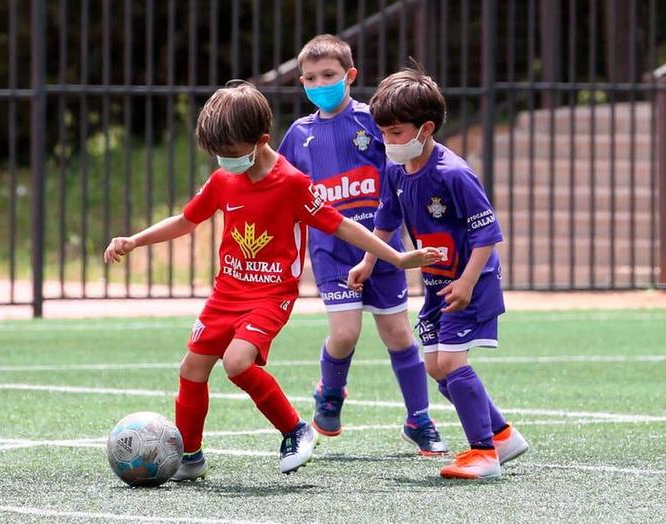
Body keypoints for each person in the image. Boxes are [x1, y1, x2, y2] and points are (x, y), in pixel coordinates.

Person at [104, 80, 443, 481]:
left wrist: (399, 257)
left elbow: (343, 226)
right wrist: (135, 240)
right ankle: (190, 457)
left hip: (270, 295)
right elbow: (186, 221)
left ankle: (295, 430)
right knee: (192, 368)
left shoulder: (292, 183)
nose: (224, 161)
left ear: (262, 140)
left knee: (236, 362)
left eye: (230, 153)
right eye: (217, 154)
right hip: (226, 293)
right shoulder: (222, 180)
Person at [350, 63, 529, 479]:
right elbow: (386, 220)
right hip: (438, 285)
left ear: (425, 128)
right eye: (383, 132)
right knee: (434, 366)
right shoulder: (396, 169)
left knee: (449, 362)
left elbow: (488, 236)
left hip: (471, 283)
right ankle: (501, 434)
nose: (387, 141)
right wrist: (369, 260)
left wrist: (467, 282)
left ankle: (483, 452)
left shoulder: (455, 174)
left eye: (395, 133)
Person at [278, 35, 448, 455]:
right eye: (312, 78)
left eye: (330, 75)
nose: (321, 84)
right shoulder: (299, 135)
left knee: (398, 335)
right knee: (346, 333)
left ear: (350, 76)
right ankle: (330, 394)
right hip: (332, 251)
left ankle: (419, 419)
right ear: (302, 82)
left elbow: (395, 178)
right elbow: (284, 190)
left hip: (384, 247)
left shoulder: (371, 122)